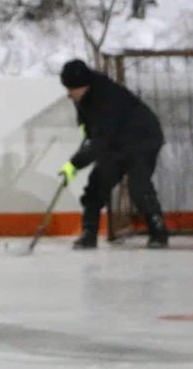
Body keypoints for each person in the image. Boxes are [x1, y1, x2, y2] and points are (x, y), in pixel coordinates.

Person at [57, 59, 168, 249]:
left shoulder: (107, 96)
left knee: (138, 186)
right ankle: (89, 233)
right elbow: (88, 125)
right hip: (115, 141)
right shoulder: (81, 96)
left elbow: (100, 141)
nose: (68, 93)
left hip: (142, 139)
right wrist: (86, 132)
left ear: (85, 85)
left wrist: (74, 164)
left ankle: (158, 232)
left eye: (72, 88)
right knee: (96, 185)